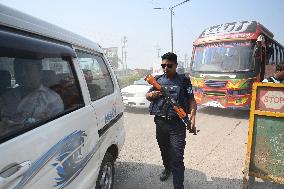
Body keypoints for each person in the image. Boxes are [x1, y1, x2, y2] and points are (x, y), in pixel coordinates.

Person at [146, 52, 197, 189]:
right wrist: (152, 94)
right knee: (164, 150)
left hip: (177, 124)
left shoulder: (184, 81)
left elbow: (192, 100)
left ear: (176, 65)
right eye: (163, 65)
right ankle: (167, 168)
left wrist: (192, 116)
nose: (165, 68)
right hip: (160, 123)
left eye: (169, 65)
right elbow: (148, 95)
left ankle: (178, 185)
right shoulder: (157, 80)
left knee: (177, 156)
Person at [0, 58, 64, 125]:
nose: (22, 74)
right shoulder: (5, 96)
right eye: (18, 70)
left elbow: (57, 127)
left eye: (27, 70)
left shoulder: (53, 99)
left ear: (40, 73)